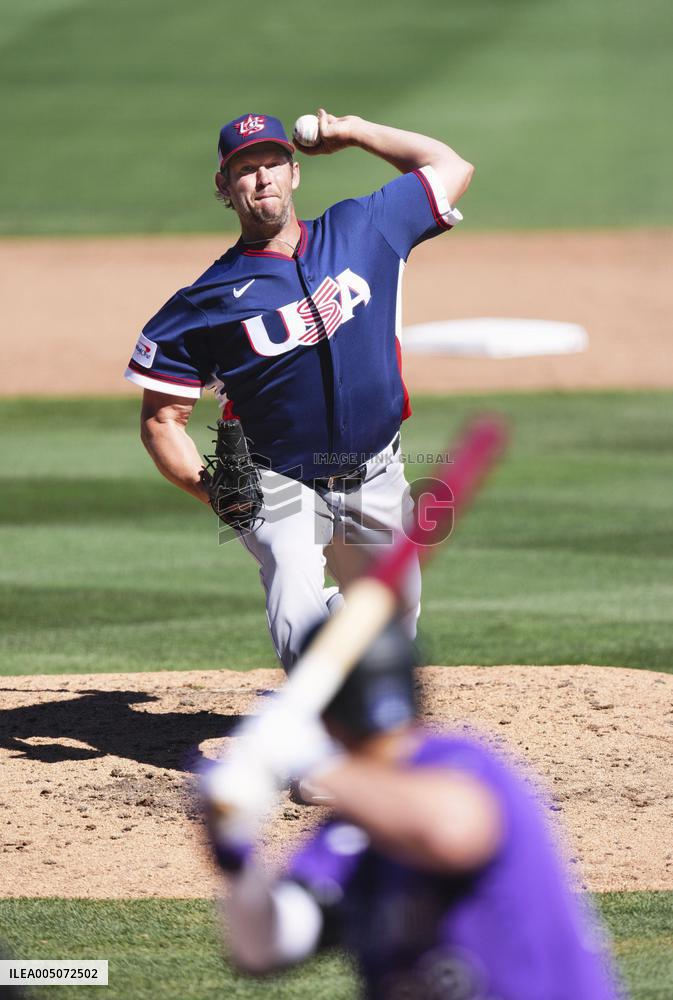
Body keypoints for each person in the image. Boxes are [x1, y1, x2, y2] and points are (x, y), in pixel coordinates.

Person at [124, 109, 473, 668]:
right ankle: (316, 732)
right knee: (294, 598)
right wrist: (212, 490)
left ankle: (342, 622)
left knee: (392, 633)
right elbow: (161, 419)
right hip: (276, 483)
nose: (262, 178)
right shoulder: (203, 303)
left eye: (272, 162)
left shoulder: (365, 227)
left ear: (294, 172)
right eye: (245, 169)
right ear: (224, 186)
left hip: (377, 472)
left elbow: (451, 166)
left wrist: (355, 132)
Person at [202, 621, 621, 1000]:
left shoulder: (464, 764)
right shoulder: (351, 827)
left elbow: (450, 829)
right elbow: (264, 948)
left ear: (325, 719)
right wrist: (235, 855)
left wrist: (311, 761)